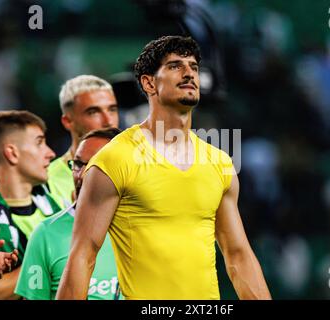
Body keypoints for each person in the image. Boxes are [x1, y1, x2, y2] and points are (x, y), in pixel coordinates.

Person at [57, 36, 272, 300]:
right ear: (149, 83)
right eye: (175, 66)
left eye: (193, 67)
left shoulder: (219, 163)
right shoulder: (114, 159)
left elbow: (238, 256)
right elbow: (83, 255)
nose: (189, 73)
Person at [0, 110, 61, 299]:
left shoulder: (58, 201)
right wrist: (49, 263)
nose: (50, 153)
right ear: (12, 153)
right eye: (39, 142)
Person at [15, 128, 123, 300]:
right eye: (78, 164)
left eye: (95, 165)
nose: (81, 175)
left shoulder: (148, 230)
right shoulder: (45, 233)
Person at [47, 75, 119, 206]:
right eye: (93, 112)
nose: (109, 121)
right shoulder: (47, 181)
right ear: (68, 121)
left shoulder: (138, 170)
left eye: (112, 109)